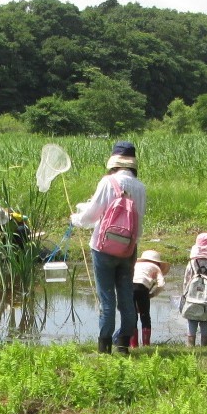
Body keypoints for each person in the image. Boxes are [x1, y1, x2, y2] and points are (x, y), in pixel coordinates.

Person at [69, 140, 147, 353]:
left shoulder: (108, 182)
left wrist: (76, 219)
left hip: (103, 249)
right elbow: (138, 224)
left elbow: (93, 214)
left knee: (106, 299)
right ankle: (123, 345)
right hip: (128, 249)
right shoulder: (140, 188)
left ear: (114, 162)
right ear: (132, 164)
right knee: (126, 297)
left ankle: (104, 347)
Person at [179, 232, 207, 347]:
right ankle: (204, 345)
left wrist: (184, 297)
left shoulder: (191, 264)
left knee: (191, 321)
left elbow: (186, 282)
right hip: (206, 300)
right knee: (205, 322)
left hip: (191, 298)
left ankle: (190, 344)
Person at [130, 249, 169, 348]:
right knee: (145, 316)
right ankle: (146, 344)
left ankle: (133, 345)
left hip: (129, 287)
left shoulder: (136, 265)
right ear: (157, 262)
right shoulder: (155, 267)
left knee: (132, 316)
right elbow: (161, 284)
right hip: (143, 289)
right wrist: (152, 294)